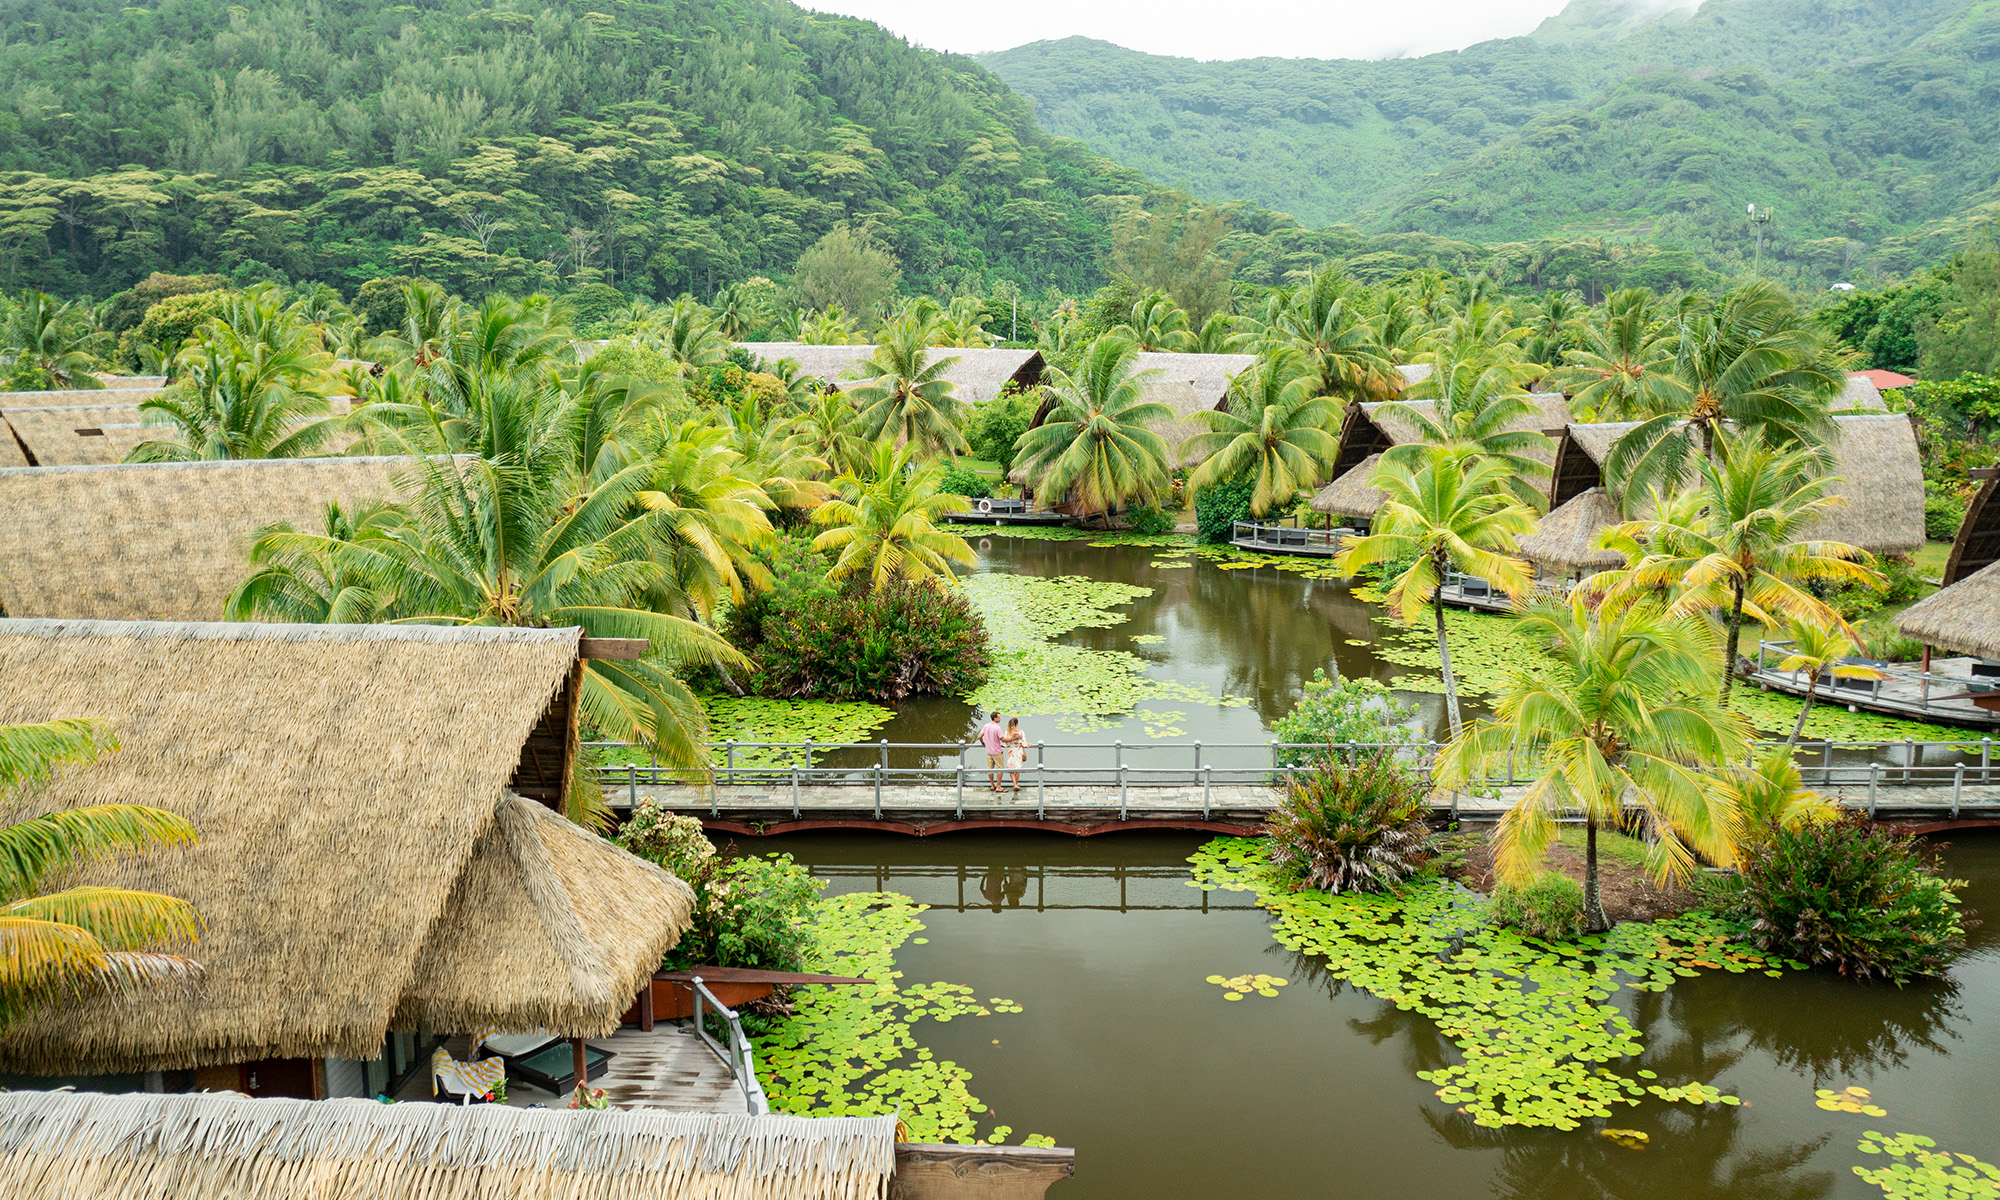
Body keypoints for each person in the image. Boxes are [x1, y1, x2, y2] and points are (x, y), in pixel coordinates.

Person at [978, 711, 1006, 792]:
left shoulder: (986, 726)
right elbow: (1002, 739)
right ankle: (999, 786)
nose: (1000, 718)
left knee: (990, 769)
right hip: (997, 751)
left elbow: (979, 736)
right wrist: (1012, 738)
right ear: (995, 718)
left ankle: (992, 785)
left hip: (989, 751)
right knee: (1000, 769)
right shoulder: (998, 728)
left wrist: (983, 743)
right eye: (999, 717)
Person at [1003, 717, 1028, 791]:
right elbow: (1024, 743)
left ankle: (1014, 784)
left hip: (1011, 751)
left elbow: (1005, 743)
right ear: (1017, 724)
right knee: (1018, 768)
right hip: (1019, 751)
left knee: (1011, 768)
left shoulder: (1007, 732)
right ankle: (1015, 784)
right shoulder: (1021, 732)